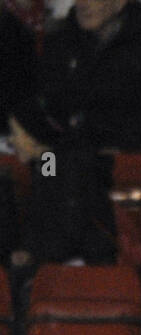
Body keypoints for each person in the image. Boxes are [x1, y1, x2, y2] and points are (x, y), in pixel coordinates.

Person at [5, 95, 116, 301]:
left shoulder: (70, 167)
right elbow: (43, 210)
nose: (11, 140)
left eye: (16, 133)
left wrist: (34, 256)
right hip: (58, 258)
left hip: (85, 264)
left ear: (33, 136)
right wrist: (29, 249)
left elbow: (72, 229)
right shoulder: (49, 159)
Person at [37, 0, 141, 151]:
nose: (83, 4)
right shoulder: (60, 39)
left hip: (124, 154)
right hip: (65, 151)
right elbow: (48, 103)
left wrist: (123, 146)